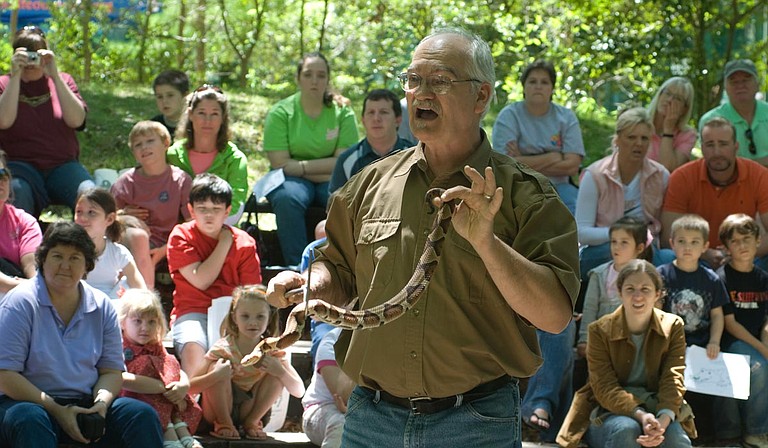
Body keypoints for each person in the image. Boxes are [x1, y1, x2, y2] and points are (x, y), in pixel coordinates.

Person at [266, 28, 580, 447]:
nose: (421, 94)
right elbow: (338, 267)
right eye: (413, 80)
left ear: (481, 98)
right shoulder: (367, 185)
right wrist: (310, 287)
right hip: (370, 419)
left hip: (475, 423)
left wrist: (487, 244)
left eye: (440, 81)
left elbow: (554, 315)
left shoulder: (527, 195)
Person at [0, 221, 163, 447]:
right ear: (43, 260)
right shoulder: (20, 302)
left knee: (140, 415)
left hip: (87, 401)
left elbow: (111, 371)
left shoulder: (102, 305)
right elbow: (5, 375)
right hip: (30, 403)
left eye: (74, 258)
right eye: (57, 256)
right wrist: (57, 410)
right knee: (28, 419)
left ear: (87, 265)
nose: (65, 266)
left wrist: (101, 405)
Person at [557, 260, 696, 448]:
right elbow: (604, 387)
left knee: (676, 440)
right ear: (620, 292)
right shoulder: (599, 330)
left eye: (645, 289)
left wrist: (661, 423)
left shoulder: (673, 326)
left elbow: (673, 377)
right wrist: (640, 414)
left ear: (657, 294)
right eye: (630, 289)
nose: (637, 296)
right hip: (610, 411)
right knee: (626, 431)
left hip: (658, 408)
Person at [262, 52, 360, 266]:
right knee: (288, 198)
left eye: (321, 75)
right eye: (308, 75)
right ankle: (297, 268)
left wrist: (301, 166)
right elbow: (280, 163)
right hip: (293, 181)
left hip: (328, 178)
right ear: (298, 78)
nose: (315, 81)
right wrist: (326, 167)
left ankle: (340, 267)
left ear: (327, 79)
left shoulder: (342, 111)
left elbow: (344, 161)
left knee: (343, 198)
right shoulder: (281, 112)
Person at [167, 173, 261, 379]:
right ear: (191, 209)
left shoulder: (244, 242)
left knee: (240, 359)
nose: (209, 216)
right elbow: (201, 280)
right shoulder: (181, 235)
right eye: (202, 209)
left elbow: (252, 295)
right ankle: (194, 406)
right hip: (193, 311)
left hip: (234, 315)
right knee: (193, 349)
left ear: (227, 211)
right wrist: (224, 243)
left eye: (216, 210)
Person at [0, 25, 94, 217]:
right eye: (25, 54)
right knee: (17, 194)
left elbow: (77, 120)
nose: (31, 61)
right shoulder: (4, 84)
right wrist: (16, 76)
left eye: (35, 54)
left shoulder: (63, 80)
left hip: (63, 165)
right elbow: (4, 121)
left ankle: (89, 245)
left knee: (91, 195)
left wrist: (55, 76)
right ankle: (24, 244)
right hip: (20, 167)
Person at [192, 285, 305, 441]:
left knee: (277, 373)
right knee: (216, 366)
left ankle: (251, 423)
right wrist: (215, 375)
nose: (253, 322)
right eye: (245, 316)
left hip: (250, 411)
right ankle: (224, 423)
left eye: (260, 316)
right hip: (218, 410)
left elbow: (299, 391)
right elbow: (190, 388)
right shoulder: (223, 348)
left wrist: (280, 371)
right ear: (234, 317)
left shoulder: (271, 348)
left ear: (269, 318)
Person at [661, 116, 768, 270]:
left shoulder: (758, 175)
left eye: (723, 144)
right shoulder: (682, 177)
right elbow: (668, 238)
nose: (717, 152)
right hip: (697, 258)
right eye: (710, 145)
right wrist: (705, 253)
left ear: (735, 147)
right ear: (702, 148)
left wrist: (739, 253)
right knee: (667, 256)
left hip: (746, 258)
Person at [576, 107, 670, 280]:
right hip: (606, 248)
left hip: (647, 248)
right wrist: (624, 236)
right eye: (631, 137)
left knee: (673, 260)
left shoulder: (661, 175)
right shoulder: (595, 175)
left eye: (644, 138)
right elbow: (581, 232)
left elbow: (665, 226)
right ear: (617, 140)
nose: (639, 144)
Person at [658, 214, 728, 444]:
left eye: (694, 242)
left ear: (706, 246)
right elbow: (655, 312)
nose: (687, 247)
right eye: (682, 241)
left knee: (704, 393)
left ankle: (706, 435)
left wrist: (714, 341)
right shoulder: (661, 275)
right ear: (671, 243)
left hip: (701, 345)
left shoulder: (711, 279)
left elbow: (717, 315)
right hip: (670, 343)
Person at [491, 59, 585, 215]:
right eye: (532, 81)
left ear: (552, 88)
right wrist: (554, 157)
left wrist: (521, 159)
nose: (538, 86)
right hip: (519, 185)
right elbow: (504, 165)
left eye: (545, 82)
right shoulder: (508, 116)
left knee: (575, 220)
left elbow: (572, 166)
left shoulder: (566, 117)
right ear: (524, 87)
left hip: (561, 187)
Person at [111, 120, 193, 288]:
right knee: (137, 237)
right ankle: (145, 301)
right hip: (136, 243)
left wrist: (166, 248)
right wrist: (124, 215)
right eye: (138, 145)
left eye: (150, 141)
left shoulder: (180, 180)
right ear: (133, 152)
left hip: (172, 241)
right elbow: (105, 218)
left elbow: (192, 222)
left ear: (165, 143)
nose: (144, 147)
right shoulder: (126, 183)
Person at [118, 289, 203, 448]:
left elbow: (176, 369)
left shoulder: (154, 345)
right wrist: (163, 388)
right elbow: (120, 378)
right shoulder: (119, 346)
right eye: (138, 321)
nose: (145, 328)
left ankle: (179, 428)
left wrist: (183, 385)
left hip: (165, 400)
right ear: (123, 322)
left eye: (151, 322)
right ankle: (168, 432)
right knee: (145, 362)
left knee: (168, 361)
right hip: (134, 397)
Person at [713, 214, 768, 447]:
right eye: (734, 241)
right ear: (726, 247)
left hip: (757, 339)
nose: (742, 245)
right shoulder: (722, 278)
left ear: (758, 240)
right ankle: (754, 431)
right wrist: (762, 350)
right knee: (758, 366)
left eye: (747, 238)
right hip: (730, 341)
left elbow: (766, 318)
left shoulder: (763, 278)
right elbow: (730, 323)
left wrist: (765, 343)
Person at [167, 85, 248, 226]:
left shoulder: (235, 158)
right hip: (178, 232)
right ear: (191, 115)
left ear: (223, 118)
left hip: (222, 233)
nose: (207, 120)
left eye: (215, 114)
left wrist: (204, 228)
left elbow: (235, 205)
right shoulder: (172, 154)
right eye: (202, 113)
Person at [577, 216, 652, 358]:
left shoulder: (649, 276)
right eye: (614, 242)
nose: (617, 247)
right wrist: (584, 340)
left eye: (624, 242)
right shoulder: (598, 275)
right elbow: (590, 309)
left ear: (640, 248)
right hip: (603, 343)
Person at [328, 89, 413, 193]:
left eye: (383, 112)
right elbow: (335, 206)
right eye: (371, 112)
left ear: (398, 120)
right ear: (363, 120)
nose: (376, 118)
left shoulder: (414, 157)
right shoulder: (347, 161)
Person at [75, 188, 147, 299]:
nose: (83, 218)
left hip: (110, 308)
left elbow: (140, 288)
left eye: (91, 213)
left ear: (109, 219)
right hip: (76, 304)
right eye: (79, 212)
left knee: (128, 285)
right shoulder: (68, 250)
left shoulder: (118, 253)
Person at [700, 59, 768, 166]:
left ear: (757, 84)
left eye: (746, 79)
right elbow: (716, 163)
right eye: (734, 81)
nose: (740, 85)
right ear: (725, 87)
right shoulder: (710, 120)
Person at [302, 327, 355, 448]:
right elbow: (344, 396)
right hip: (323, 408)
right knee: (343, 424)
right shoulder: (333, 339)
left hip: (368, 411)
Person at [0, 148, 42, 297]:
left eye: (3, 174)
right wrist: (21, 286)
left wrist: (34, 284)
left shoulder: (25, 222)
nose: (1, 181)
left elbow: (31, 264)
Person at [647, 77, 696, 172]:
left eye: (677, 98)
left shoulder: (687, 135)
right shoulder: (638, 122)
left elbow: (667, 169)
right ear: (660, 94)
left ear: (684, 109)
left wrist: (668, 130)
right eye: (667, 93)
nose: (669, 100)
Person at [151, 69, 190, 138]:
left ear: (185, 96)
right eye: (160, 97)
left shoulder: (195, 124)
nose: (164, 101)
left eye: (170, 95)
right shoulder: (152, 127)